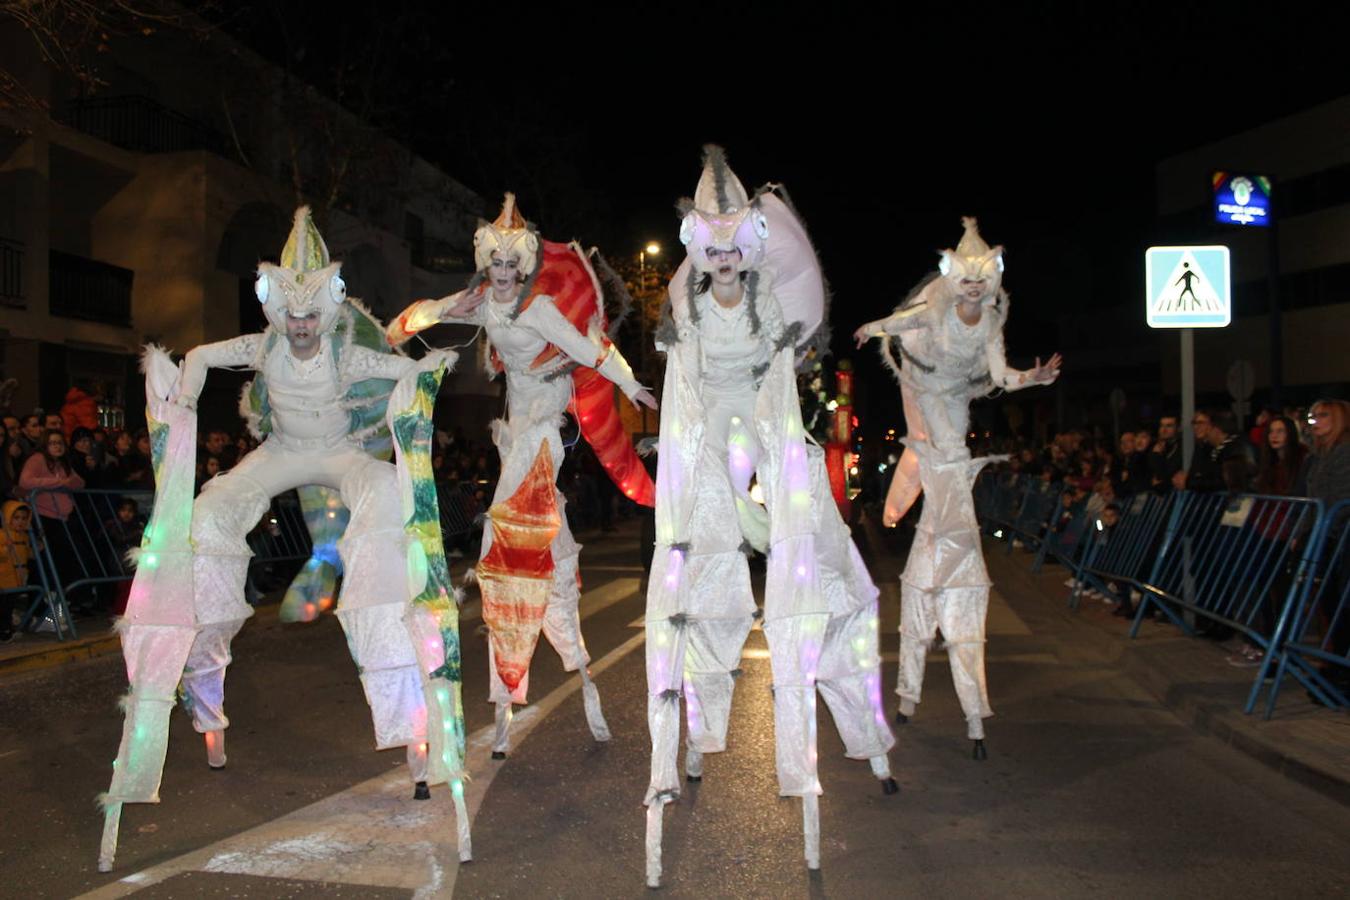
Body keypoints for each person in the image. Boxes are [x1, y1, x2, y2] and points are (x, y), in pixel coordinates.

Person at [101, 208, 460, 817]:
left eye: (309, 314)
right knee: (205, 519)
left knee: (384, 502)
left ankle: (412, 720)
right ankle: (205, 702)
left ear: (328, 310)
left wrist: (428, 373)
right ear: (274, 310)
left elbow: (403, 369)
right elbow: (201, 356)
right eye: (289, 314)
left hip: (340, 453)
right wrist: (183, 401)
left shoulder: (346, 354)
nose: (299, 325)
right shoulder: (261, 346)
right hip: (281, 452)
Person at [643, 147, 895, 885]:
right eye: (712, 248)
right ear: (700, 250)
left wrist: (782, 470)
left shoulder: (768, 306)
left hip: (762, 412)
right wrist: (698, 467)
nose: (724, 259)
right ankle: (694, 738)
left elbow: (778, 384)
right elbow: (690, 393)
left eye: (734, 248)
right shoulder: (690, 312)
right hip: (713, 424)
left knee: (818, 546)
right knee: (695, 567)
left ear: (749, 249)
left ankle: (862, 733)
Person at [390, 193, 656, 759]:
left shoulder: (539, 310)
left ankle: (505, 550)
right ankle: (531, 671)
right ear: (486, 264)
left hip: (547, 424)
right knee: (528, 545)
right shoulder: (484, 303)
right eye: (497, 264)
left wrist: (631, 384)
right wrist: (404, 328)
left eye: (514, 264)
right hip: (516, 425)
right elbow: (427, 312)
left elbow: (592, 349)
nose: (505, 273)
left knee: (514, 510)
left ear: (526, 265)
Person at [854, 216, 1060, 756]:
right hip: (929, 395)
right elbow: (902, 322)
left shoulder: (989, 323)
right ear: (953, 278)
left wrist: (1032, 378)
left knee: (961, 620)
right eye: (964, 279)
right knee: (917, 609)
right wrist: (873, 328)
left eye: (980, 280)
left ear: (990, 282)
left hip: (954, 435)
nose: (972, 288)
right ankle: (907, 697)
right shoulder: (936, 308)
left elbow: (1001, 375)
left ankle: (972, 716)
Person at [0, 499, 33, 641]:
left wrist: (34, 551)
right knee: (3, 606)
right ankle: (4, 631)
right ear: (7, 518)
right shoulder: (2, 534)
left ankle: (7, 628)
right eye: (16, 518)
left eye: (24, 518)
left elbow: (25, 553)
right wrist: (4, 550)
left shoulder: (24, 536)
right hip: (4, 578)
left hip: (17, 578)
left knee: (9, 605)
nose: (20, 522)